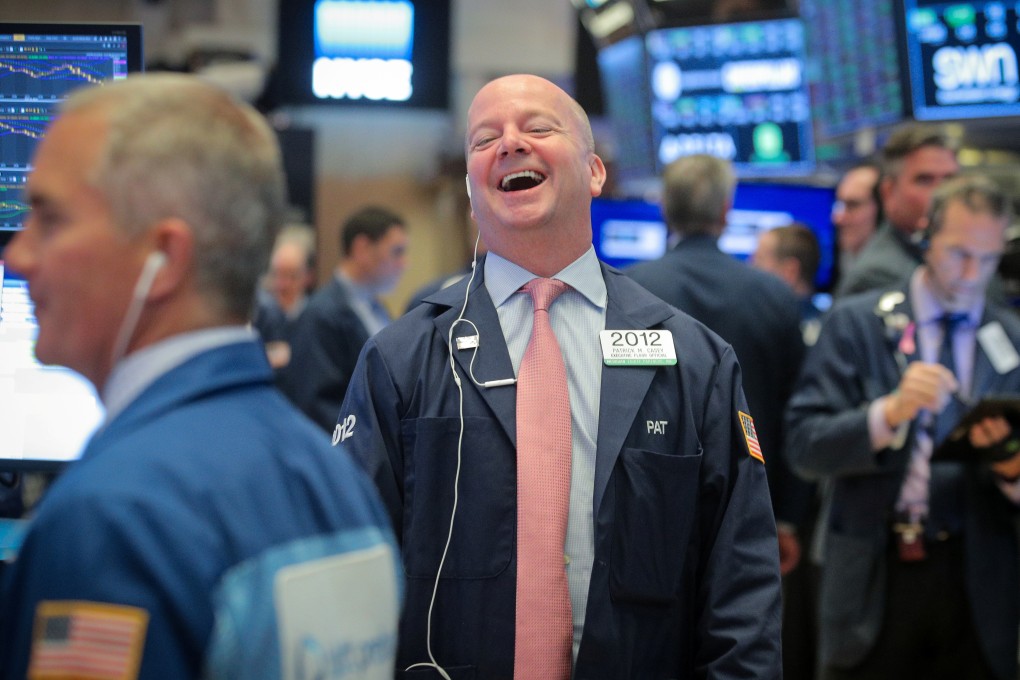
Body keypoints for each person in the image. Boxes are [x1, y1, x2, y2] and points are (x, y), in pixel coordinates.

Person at [337, 74, 781, 678]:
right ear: (471, 193)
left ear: (596, 172)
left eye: (539, 128)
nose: (511, 144)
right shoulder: (401, 359)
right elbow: (349, 573)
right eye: (484, 139)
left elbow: (742, 590)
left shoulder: (693, 360)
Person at [0, 73, 400, 679]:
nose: (17, 254)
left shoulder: (114, 519)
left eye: (49, 220)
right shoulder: (336, 484)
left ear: (163, 259)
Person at [786, 174, 1020, 680]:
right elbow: (804, 447)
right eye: (959, 253)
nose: (971, 275)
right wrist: (886, 414)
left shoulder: (1010, 338)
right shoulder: (856, 323)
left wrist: (1010, 467)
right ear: (926, 235)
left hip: (977, 581)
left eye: (987, 259)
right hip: (877, 572)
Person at [627, 154, 811, 576]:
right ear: (727, 210)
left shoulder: (628, 290)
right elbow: (795, 415)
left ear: (665, 208)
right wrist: (787, 518)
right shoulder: (775, 295)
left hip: (650, 508)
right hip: (750, 506)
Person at [278, 205, 408, 432]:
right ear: (362, 248)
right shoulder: (321, 314)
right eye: (396, 252)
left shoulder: (377, 308)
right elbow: (318, 408)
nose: (403, 264)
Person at [835, 123, 959, 297]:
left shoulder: (966, 255)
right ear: (889, 192)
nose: (942, 193)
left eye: (949, 180)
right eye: (925, 180)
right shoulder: (877, 277)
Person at [252, 223, 317, 369]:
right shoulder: (258, 316)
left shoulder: (317, 318)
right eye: (276, 274)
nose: (282, 284)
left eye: (291, 276)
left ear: (308, 276)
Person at [752, 222, 826, 346]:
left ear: (789, 271)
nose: (751, 266)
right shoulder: (827, 324)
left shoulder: (772, 329)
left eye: (759, 259)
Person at [831, 161, 881, 280]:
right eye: (839, 204)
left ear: (882, 209)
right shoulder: (845, 260)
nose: (837, 218)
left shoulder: (880, 274)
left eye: (852, 205)